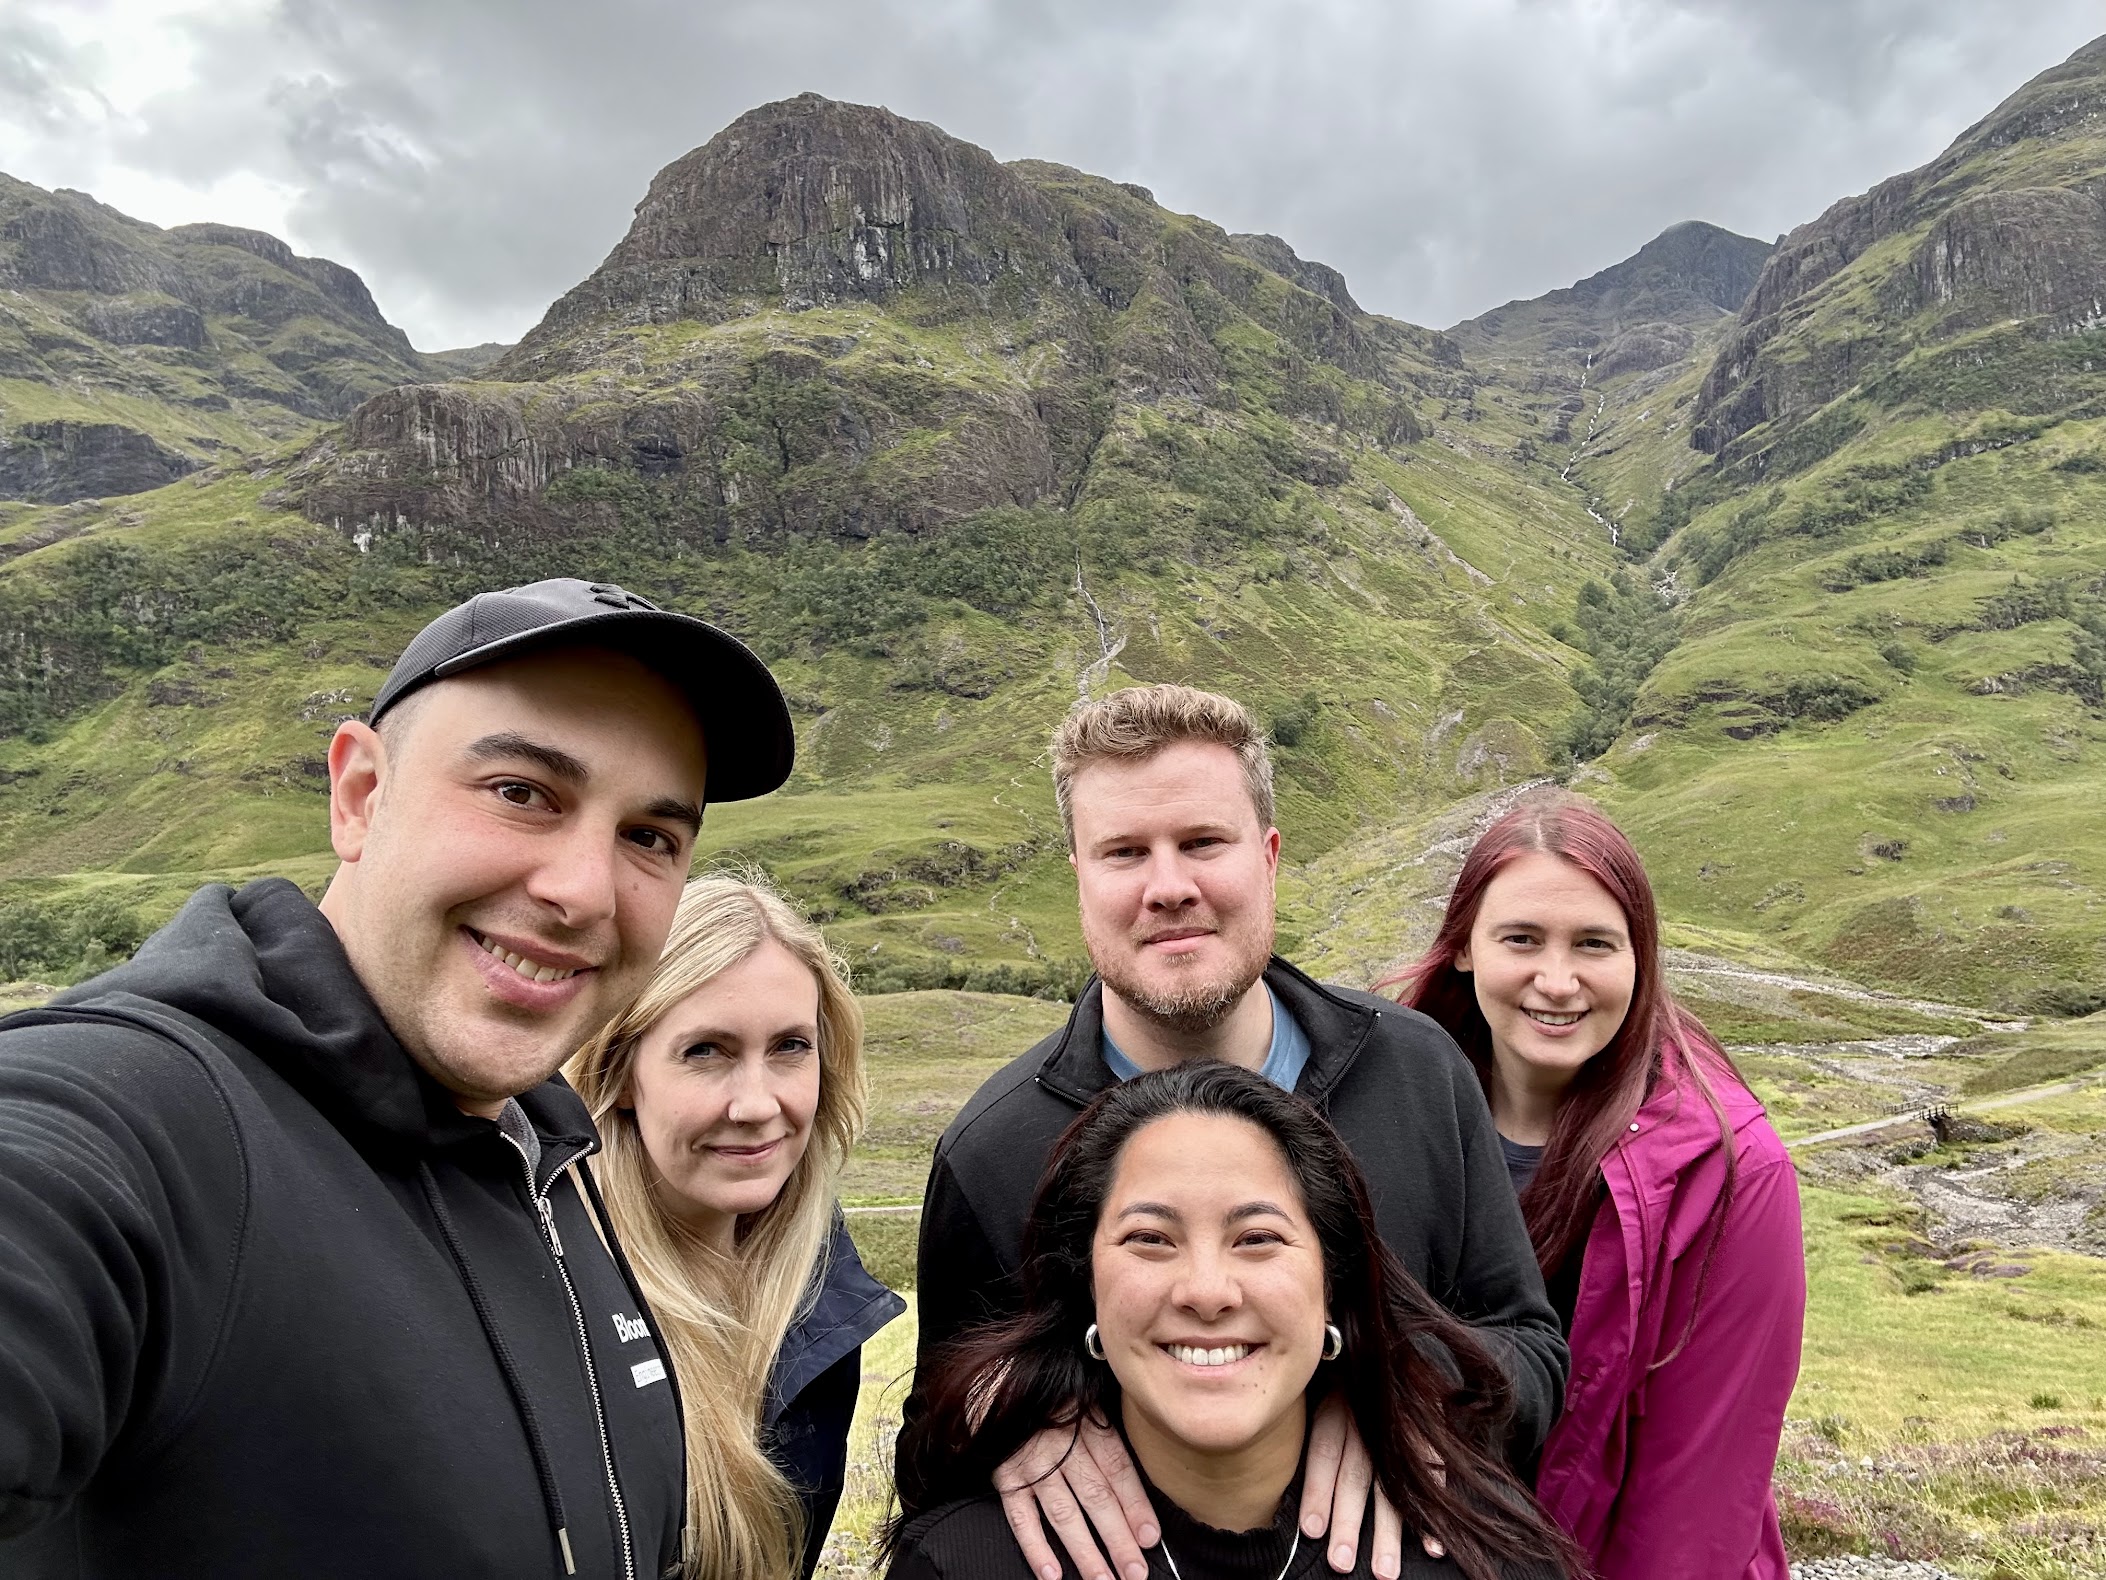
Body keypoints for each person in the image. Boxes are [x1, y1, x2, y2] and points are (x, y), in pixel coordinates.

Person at [0, 577, 797, 1579]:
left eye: (649, 836)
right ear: (359, 794)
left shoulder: (548, 1155)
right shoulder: (149, 1113)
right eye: (522, 791)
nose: (583, 890)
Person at [912, 685, 1566, 1580]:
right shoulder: (991, 1150)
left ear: (1268, 855)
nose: (1168, 887)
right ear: (1079, 873)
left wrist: (1376, 1385)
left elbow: (1532, 1352)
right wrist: (1017, 1420)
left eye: (1203, 843)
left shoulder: (1420, 1073)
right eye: (1125, 852)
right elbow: (935, 1437)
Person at [888, 1061, 1578, 1580]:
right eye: (1150, 1240)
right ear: (1086, 1284)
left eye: (1258, 1239)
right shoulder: (962, 1562)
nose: (1207, 1291)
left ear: (1333, 1283)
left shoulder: (1486, 1557)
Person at [1384, 793, 1804, 1579]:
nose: (1557, 980)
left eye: (1594, 945)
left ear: (1639, 957)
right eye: (1521, 939)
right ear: (1465, 946)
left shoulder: (1732, 1171)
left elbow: (1696, 1495)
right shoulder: (1388, 1106)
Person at [564, 874, 904, 1580]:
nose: (756, 1104)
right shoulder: (555, 1290)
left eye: (789, 1047)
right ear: (621, 1072)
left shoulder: (817, 1280)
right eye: (705, 1051)